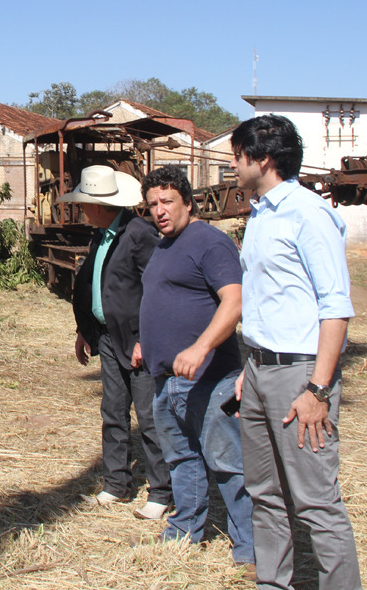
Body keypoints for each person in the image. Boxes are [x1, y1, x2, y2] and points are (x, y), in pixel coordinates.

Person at [230, 115, 362, 590]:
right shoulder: (261, 213)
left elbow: (336, 306)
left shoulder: (308, 213)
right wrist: (252, 366)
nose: (232, 162)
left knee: (316, 502)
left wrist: (318, 388)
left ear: (262, 158)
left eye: (237, 154)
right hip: (261, 370)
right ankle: (273, 583)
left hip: (300, 377)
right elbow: (269, 299)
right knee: (264, 493)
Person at [137, 166, 254, 571]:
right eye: (152, 204)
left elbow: (234, 301)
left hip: (209, 378)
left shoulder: (210, 242)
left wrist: (201, 346)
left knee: (229, 464)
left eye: (167, 201)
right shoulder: (164, 245)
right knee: (182, 460)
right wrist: (144, 341)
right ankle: (183, 532)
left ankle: (251, 552)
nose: (160, 211)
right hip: (166, 380)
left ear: (188, 201)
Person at [61, 165, 172, 520]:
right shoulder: (101, 235)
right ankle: (117, 484)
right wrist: (85, 329)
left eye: (84, 202)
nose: (81, 208)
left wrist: (146, 339)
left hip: (138, 342)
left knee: (150, 415)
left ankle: (161, 491)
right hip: (108, 337)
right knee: (113, 411)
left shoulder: (138, 234)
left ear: (97, 204)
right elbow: (98, 285)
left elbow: (157, 289)